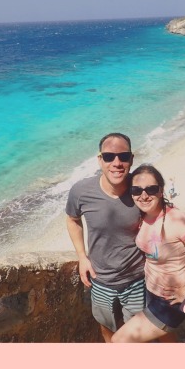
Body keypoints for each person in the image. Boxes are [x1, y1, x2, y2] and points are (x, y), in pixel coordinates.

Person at [111, 164, 185, 343]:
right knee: (166, 339)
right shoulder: (143, 215)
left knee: (120, 341)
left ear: (161, 191)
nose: (143, 195)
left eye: (151, 189)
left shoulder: (177, 221)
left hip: (170, 302)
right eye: (137, 190)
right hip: (151, 291)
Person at [65, 133, 145, 342]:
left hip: (137, 280)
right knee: (107, 330)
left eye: (123, 156)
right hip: (100, 280)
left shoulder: (141, 190)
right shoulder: (81, 191)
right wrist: (82, 256)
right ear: (100, 160)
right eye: (109, 157)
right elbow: (72, 220)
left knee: (137, 336)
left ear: (131, 159)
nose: (116, 163)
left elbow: (162, 219)